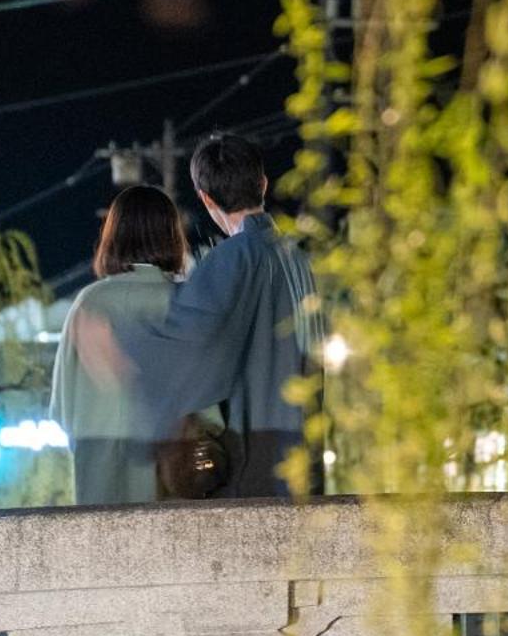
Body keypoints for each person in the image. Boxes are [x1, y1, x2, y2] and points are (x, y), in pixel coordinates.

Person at [113, 131, 325, 498]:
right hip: (302, 454)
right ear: (262, 183)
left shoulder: (231, 259)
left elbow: (187, 345)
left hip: (253, 456)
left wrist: (122, 345)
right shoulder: (298, 258)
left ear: (205, 198)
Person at [49, 184, 220, 504]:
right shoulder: (186, 305)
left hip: (98, 487)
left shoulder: (88, 304)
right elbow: (209, 413)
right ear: (172, 236)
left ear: (112, 237)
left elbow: (61, 411)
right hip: (170, 483)